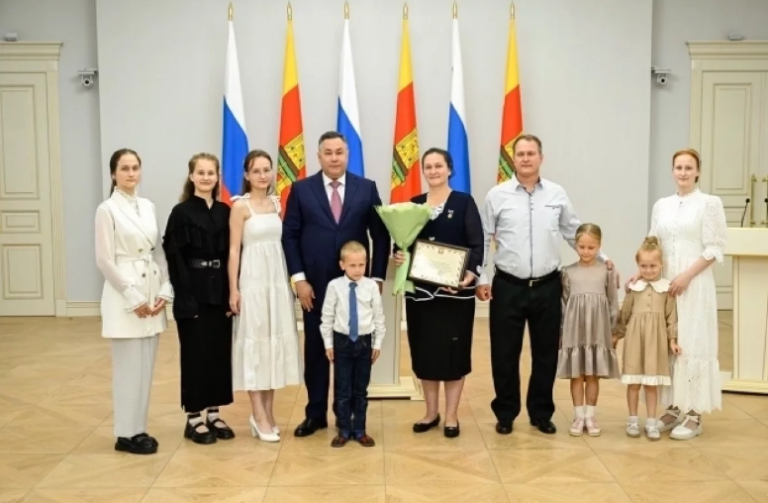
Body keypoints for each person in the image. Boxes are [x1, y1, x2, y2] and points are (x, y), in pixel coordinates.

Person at [477, 134, 614, 435]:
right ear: (513, 159)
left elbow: (574, 232)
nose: (526, 158)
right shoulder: (496, 195)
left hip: (547, 286)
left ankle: (541, 412)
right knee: (504, 353)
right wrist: (481, 276)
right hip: (507, 286)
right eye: (521, 154)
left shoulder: (556, 194)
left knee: (546, 353)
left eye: (531, 153)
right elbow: (484, 238)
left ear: (541, 157)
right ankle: (506, 412)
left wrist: (602, 258)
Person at [282, 131, 391, 437]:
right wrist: (299, 279)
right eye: (328, 153)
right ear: (319, 156)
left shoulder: (366, 188)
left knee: (353, 354)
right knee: (317, 350)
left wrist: (377, 277)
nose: (334, 158)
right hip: (314, 287)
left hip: (355, 286)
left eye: (339, 152)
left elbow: (380, 234)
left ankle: (351, 418)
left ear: (347, 155)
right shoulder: (301, 189)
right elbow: (289, 236)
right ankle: (315, 414)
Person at [627, 148, 727, 440]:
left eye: (688, 167)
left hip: (694, 284)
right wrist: (641, 272)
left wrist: (686, 275)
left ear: (698, 171)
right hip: (664, 285)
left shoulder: (709, 204)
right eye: (679, 167)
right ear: (673, 171)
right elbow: (652, 242)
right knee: (667, 344)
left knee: (692, 342)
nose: (683, 172)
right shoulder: (662, 205)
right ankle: (672, 408)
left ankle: (694, 414)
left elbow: (715, 247)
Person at [393, 148, 483, 438]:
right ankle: (431, 413)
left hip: (455, 294)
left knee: (454, 354)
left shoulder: (464, 202)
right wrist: (399, 255)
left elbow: (477, 243)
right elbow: (403, 244)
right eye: (428, 167)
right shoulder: (414, 204)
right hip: (421, 295)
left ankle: (452, 416)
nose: (433, 171)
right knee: (425, 353)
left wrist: (469, 275)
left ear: (449, 169)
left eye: (438, 166)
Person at [95, 148, 173, 455]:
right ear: (113, 174)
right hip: (125, 294)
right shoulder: (106, 209)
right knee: (128, 368)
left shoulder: (148, 206)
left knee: (145, 367)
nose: (131, 173)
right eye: (124, 168)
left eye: (135, 167)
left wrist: (165, 289)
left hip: (151, 291)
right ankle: (125, 433)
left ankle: (138, 428)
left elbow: (158, 251)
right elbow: (104, 260)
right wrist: (132, 296)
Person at [228, 149, 302, 443]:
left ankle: (268, 414)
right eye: (256, 170)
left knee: (271, 346)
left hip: (276, 282)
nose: (262, 175)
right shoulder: (240, 207)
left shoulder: (277, 204)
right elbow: (234, 250)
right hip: (253, 282)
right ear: (247, 175)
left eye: (266, 170)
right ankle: (258, 414)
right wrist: (233, 289)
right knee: (255, 345)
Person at [163, 153, 235, 445]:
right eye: (201, 172)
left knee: (218, 352)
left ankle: (214, 413)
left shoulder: (225, 211)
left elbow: (232, 254)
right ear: (191, 176)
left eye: (211, 173)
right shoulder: (181, 212)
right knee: (195, 353)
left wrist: (231, 293)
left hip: (220, 293)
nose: (206, 178)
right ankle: (193, 416)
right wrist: (184, 295)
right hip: (193, 291)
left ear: (218, 177)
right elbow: (174, 256)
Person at [556, 223, 620, 438]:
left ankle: (590, 416)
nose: (585, 251)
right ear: (575, 245)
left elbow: (613, 302)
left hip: (598, 331)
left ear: (599, 246)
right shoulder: (567, 272)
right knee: (577, 374)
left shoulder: (607, 271)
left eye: (591, 247)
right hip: (574, 331)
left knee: (592, 375)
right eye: (581, 247)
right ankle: (578, 416)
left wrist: (614, 330)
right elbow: (563, 304)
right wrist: (562, 332)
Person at [320, 241, 385, 447]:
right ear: (342, 265)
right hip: (342, 342)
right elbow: (327, 317)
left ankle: (360, 430)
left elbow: (379, 317)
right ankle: (344, 430)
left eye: (361, 265)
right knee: (343, 390)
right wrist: (328, 344)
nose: (357, 270)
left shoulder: (371, 286)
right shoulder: (334, 286)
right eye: (352, 265)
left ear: (367, 263)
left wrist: (377, 344)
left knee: (361, 391)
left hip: (365, 343)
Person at [614, 236, 679, 441]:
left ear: (661, 265)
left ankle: (651, 422)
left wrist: (672, 340)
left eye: (653, 266)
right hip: (635, 341)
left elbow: (671, 316)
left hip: (656, 343)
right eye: (644, 266)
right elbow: (625, 313)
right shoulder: (633, 288)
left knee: (652, 384)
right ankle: (633, 420)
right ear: (638, 265)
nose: (648, 270)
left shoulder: (667, 288)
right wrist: (617, 334)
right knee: (633, 383)